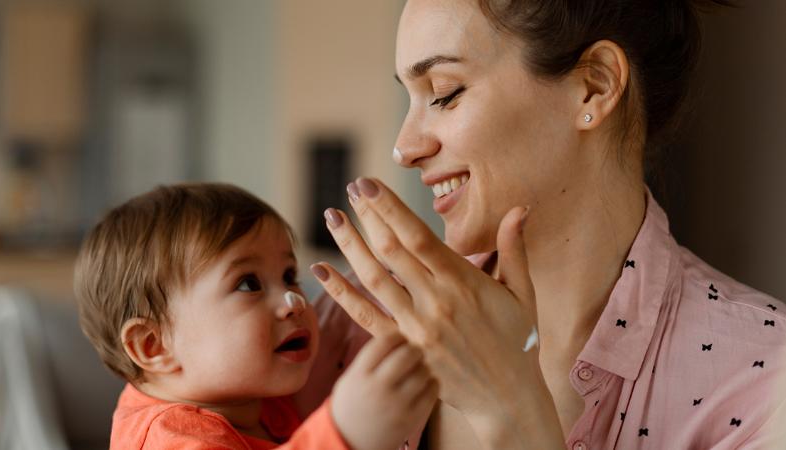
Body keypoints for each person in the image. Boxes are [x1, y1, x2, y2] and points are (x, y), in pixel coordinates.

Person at [297, 0, 786, 449]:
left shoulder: (763, 379)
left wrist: (511, 410)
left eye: (444, 93)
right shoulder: (343, 330)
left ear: (593, 85)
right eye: (411, 97)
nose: (404, 149)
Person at [74, 183, 438, 450]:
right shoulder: (168, 437)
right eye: (248, 284)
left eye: (289, 276)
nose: (294, 300)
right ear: (155, 346)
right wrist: (342, 431)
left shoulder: (250, 394)